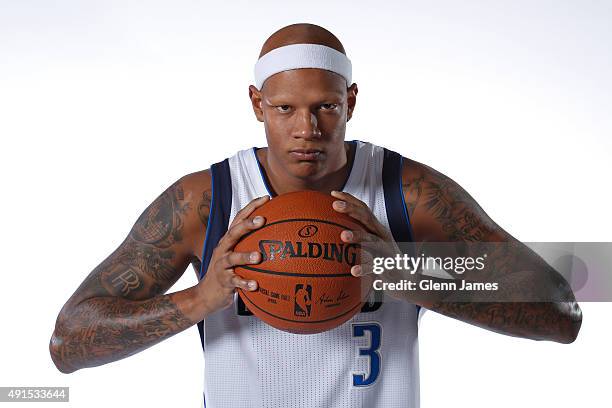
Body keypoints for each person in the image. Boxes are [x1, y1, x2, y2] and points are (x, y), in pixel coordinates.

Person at [49, 23, 582, 408]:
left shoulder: (407, 192)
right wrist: (200, 297)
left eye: (326, 106)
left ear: (350, 101)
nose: (307, 128)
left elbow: (562, 310)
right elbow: (66, 343)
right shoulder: (204, 200)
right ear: (257, 104)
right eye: (285, 109)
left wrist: (406, 273)